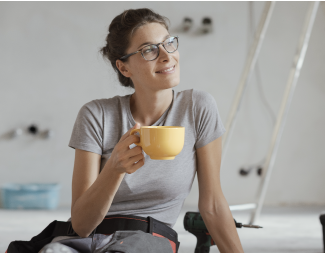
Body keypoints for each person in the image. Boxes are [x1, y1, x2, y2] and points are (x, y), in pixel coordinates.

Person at [17, 8, 244, 253]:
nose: (167, 56)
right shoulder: (96, 115)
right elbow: (81, 225)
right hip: (84, 240)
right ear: (124, 68)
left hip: (147, 239)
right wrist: (114, 169)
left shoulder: (197, 107)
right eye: (149, 50)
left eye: (168, 42)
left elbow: (212, 205)